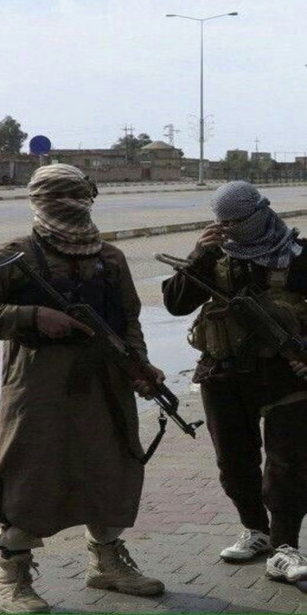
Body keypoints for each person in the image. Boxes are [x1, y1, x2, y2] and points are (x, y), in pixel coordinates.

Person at [0, 163, 166, 613]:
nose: (71, 207)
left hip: (104, 385)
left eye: (78, 197)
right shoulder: (11, 255)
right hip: (40, 388)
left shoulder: (110, 258)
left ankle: (106, 562)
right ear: (39, 202)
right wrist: (33, 316)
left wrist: (138, 364)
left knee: (109, 470)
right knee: (31, 474)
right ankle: (11, 575)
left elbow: (128, 318)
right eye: (60, 198)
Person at [162, 181, 307, 585]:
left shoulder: (297, 256)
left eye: (237, 222)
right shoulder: (215, 256)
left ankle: (284, 546)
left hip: (285, 376)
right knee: (233, 461)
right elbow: (176, 303)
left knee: (288, 464)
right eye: (222, 223)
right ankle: (255, 530)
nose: (228, 230)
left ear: (261, 213)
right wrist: (200, 254)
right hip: (223, 373)